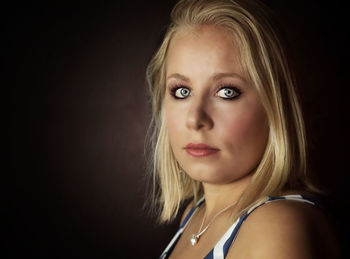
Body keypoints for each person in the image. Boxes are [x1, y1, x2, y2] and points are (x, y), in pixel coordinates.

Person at [145, 0, 339, 258]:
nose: (195, 119)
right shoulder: (194, 213)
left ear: (274, 107)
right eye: (182, 91)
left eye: (227, 92)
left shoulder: (276, 225)